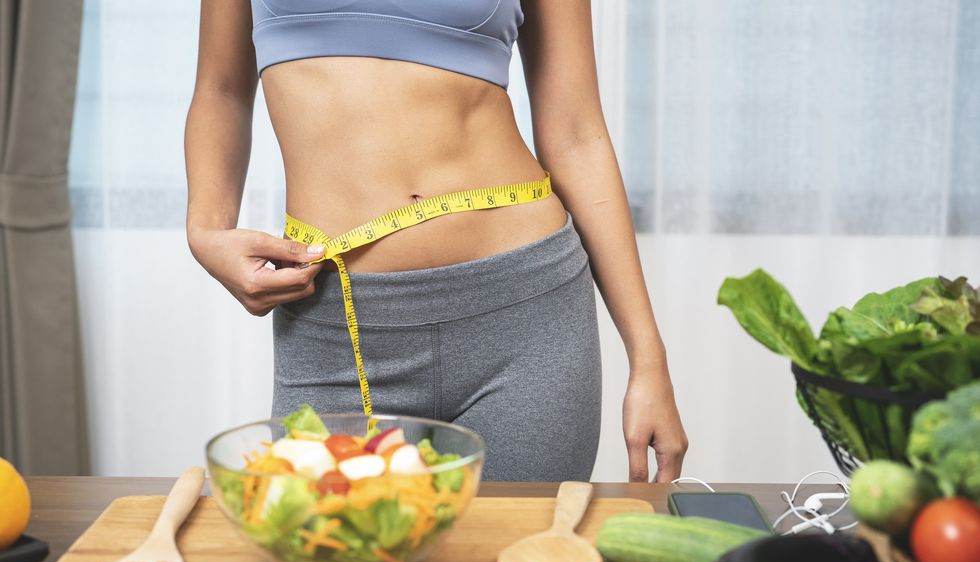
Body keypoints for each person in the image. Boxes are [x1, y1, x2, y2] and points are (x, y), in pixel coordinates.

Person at [184, 0, 688, 482]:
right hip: (334, 319)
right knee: (333, 553)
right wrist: (206, 230)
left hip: (525, 312)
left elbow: (576, 131)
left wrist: (648, 359)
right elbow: (221, 89)